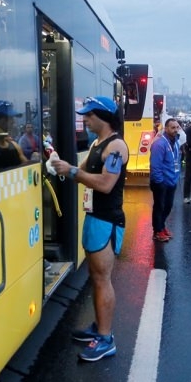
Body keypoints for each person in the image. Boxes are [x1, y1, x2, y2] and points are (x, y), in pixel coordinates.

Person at [50, 96, 128, 362]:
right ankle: (99, 327)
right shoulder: (97, 143)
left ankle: (106, 339)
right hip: (95, 218)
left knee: (102, 279)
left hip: (106, 221)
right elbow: (79, 172)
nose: (85, 119)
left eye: (89, 115)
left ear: (103, 117)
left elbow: (105, 184)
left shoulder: (116, 146)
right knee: (96, 278)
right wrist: (62, 165)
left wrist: (71, 171)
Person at [149, 118, 181, 241]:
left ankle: (161, 226)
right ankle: (157, 231)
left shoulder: (176, 142)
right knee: (159, 206)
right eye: (172, 127)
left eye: (177, 127)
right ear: (166, 129)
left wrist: (175, 177)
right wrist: (159, 182)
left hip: (172, 180)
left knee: (168, 206)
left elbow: (176, 160)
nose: (175, 130)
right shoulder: (159, 144)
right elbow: (155, 165)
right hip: (161, 182)